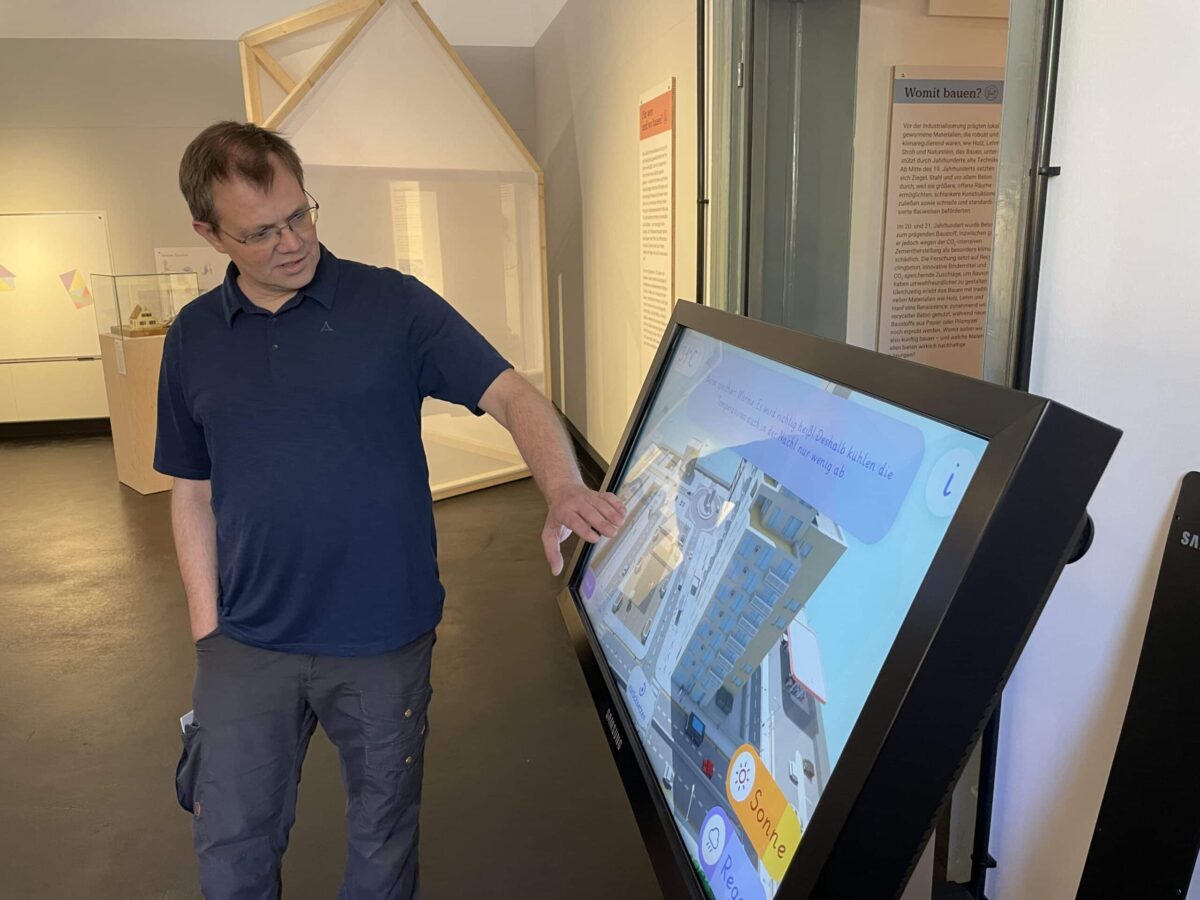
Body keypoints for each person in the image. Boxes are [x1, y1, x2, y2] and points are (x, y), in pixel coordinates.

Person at [157, 121, 625, 899]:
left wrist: (563, 488)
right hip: (247, 641)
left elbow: (511, 393)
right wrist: (208, 636)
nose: (292, 242)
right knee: (230, 847)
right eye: (261, 232)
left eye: (300, 214)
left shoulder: (392, 305)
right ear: (209, 234)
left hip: (382, 639)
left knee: (382, 844)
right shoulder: (194, 338)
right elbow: (192, 489)